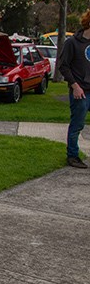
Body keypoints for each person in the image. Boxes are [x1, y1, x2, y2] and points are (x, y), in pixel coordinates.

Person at [57, 9, 90, 169]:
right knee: (77, 124)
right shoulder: (73, 43)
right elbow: (63, 66)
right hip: (80, 91)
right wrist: (75, 86)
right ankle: (73, 156)